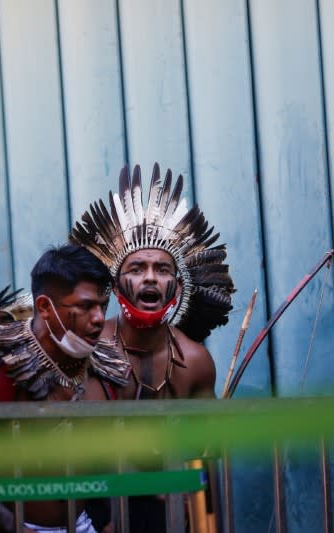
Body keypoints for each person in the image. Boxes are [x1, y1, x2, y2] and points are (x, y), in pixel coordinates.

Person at [71, 163, 235, 531]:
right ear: (114, 287)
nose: (149, 277)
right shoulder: (89, 349)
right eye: (137, 267)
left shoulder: (194, 361)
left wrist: (201, 521)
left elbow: (203, 458)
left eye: (162, 269)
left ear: (176, 287)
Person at [0, 244, 122, 533]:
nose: (98, 319)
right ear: (44, 307)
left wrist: (106, 521)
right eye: (85, 306)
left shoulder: (105, 367)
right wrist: (14, 527)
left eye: (102, 306)